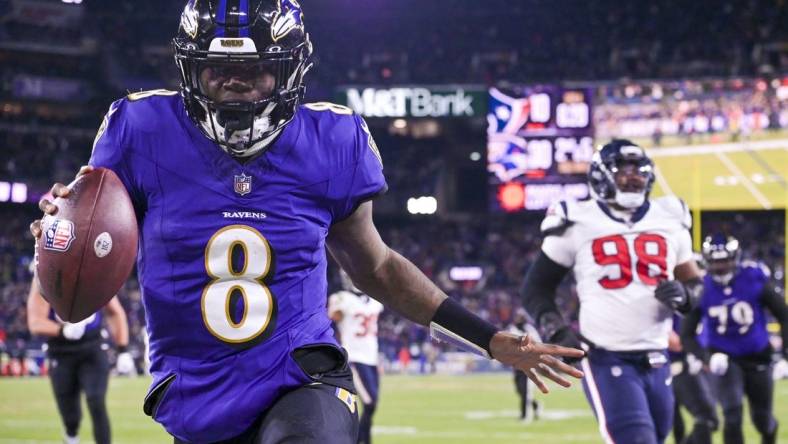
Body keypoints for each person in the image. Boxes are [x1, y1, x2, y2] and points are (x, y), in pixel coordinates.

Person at [30, 1, 584, 443]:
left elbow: (380, 269)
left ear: (290, 69)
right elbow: (89, 244)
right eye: (217, 69)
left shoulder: (331, 141)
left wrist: (488, 339)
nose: (234, 84)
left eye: (254, 71)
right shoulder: (140, 129)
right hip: (195, 389)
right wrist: (62, 233)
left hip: (301, 374)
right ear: (188, 68)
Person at [521, 139, 705, 444]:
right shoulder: (577, 219)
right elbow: (536, 287)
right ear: (602, 176)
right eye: (624, 171)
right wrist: (554, 329)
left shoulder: (670, 218)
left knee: (656, 438)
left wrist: (686, 296)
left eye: (639, 172)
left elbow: (696, 284)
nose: (633, 178)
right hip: (607, 356)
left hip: (657, 355)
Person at [681, 234, 788, 444]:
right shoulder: (702, 288)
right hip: (724, 359)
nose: (720, 267)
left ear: (736, 258)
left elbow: (783, 314)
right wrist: (706, 358)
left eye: (725, 261)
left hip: (758, 356)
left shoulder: (753, 278)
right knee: (732, 414)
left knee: (762, 419)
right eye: (715, 261)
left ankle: (769, 436)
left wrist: (784, 355)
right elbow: (687, 333)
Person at [26, 277, 133, 444]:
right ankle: (71, 436)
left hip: (92, 347)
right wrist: (62, 331)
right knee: (71, 417)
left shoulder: (96, 272)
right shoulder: (46, 274)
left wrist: (123, 349)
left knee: (96, 401)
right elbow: (35, 322)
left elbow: (115, 311)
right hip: (60, 352)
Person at [328, 271, 384, 444]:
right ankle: (362, 440)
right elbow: (332, 317)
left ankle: (359, 439)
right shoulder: (341, 298)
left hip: (371, 359)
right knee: (369, 403)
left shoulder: (374, 302)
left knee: (372, 404)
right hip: (354, 358)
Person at [668, 318, 717, 444]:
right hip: (677, 366)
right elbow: (676, 343)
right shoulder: (673, 303)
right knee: (707, 418)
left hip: (687, 364)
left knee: (679, 425)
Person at [508, 309, 543, 423]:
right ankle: (536, 406)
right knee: (520, 390)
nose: (518, 319)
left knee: (526, 391)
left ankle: (525, 416)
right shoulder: (512, 329)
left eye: (520, 317)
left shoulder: (529, 330)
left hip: (528, 364)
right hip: (516, 365)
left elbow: (538, 344)